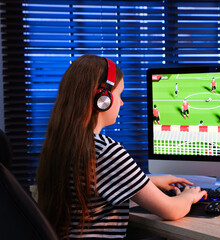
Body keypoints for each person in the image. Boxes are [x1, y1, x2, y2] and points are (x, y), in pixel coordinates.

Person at [36, 55, 207, 239]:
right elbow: (171, 210)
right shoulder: (105, 151)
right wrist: (189, 196)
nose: (122, 103)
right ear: (103, 99)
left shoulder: (65, 144)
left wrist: (150, 182)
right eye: (120, 94)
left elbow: (96, 182)